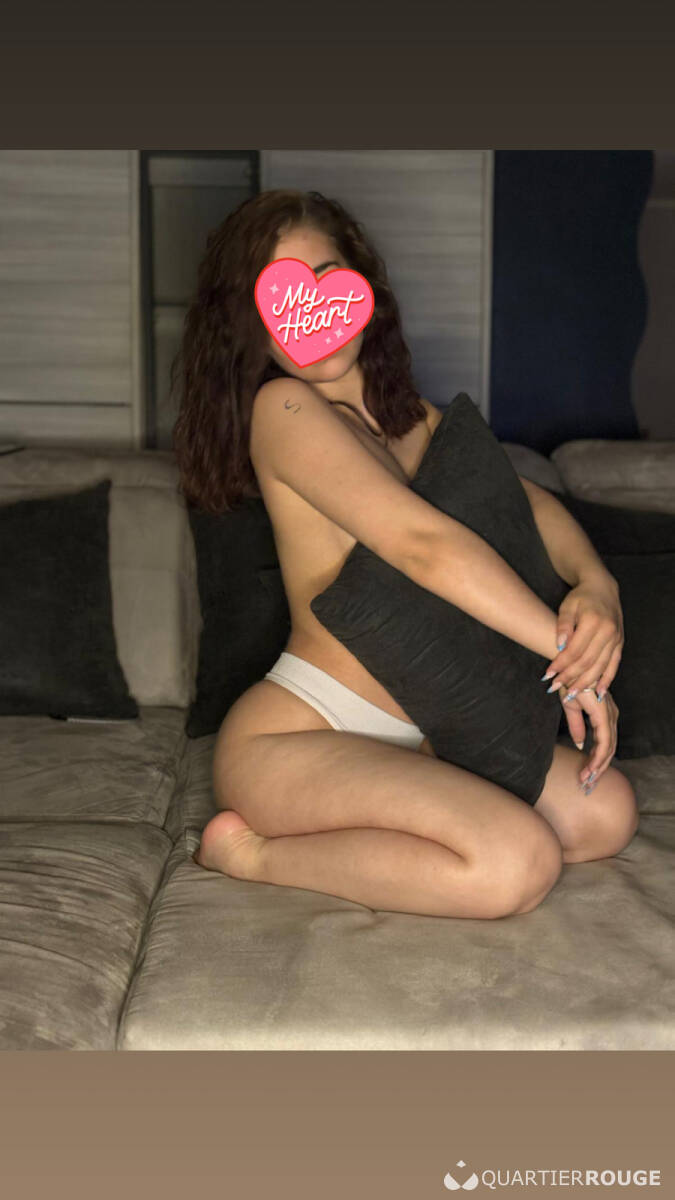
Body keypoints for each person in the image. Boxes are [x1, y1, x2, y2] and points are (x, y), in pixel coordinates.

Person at [172, 188, 638, 919]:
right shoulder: (284, 411)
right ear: (248, 323)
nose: (310, 310)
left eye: (325, 276)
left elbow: (524, 504)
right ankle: (250, 854)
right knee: (515, 863)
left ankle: (410, 810)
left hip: (426, 730)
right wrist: (572, 662)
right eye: (280, 295)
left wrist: (596, 586)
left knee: (607, 812)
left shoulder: (411, 418)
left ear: (365, 289)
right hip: (299, 737)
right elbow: (423, 547)